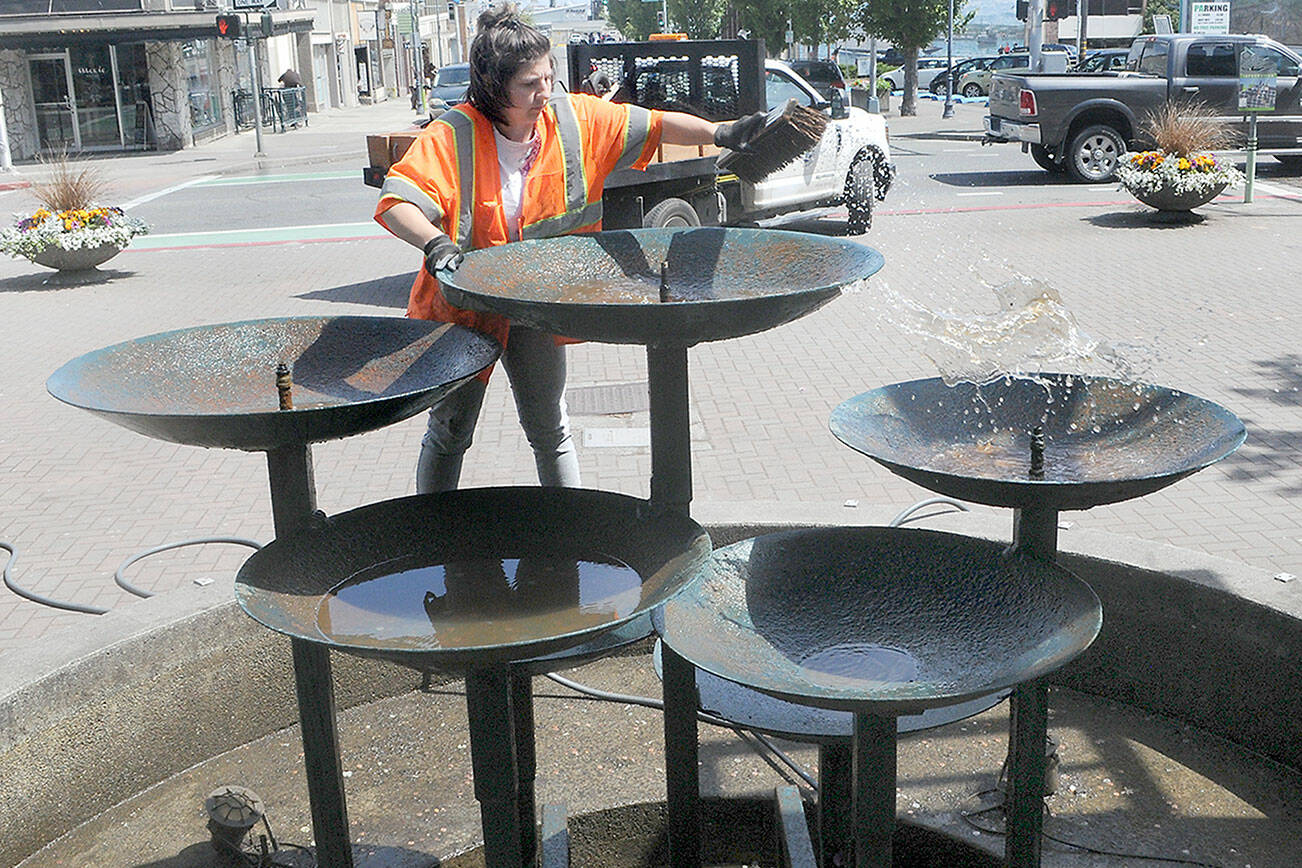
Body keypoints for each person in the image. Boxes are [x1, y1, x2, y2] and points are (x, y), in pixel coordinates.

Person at [375, 4, 764, 494]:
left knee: (550, 430)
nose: (545, 93)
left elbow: (654, 125)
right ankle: (429, 534)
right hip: (463, 310)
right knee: (450, 432)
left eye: (548, 77)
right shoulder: (452, 135)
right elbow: (397, 201)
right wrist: (435, 243)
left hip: (536, 308)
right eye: (529, 84)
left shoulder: (574, 121)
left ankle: (571, 534)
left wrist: (719, 133)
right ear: (496, 88)